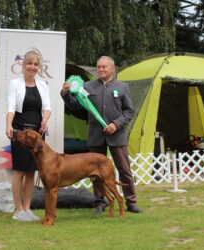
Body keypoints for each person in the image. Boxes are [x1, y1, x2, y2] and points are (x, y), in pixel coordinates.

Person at [61, 56, 143, 214]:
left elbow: (129, 111)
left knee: (124, 170)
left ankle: (131, 202)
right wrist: (65, 94)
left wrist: (116, 124)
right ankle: (99, 203)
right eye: (98, 67)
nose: (101, 70)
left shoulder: (123, 87)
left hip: (117, 136)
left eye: (104, 67)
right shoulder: (87, 86)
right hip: (95, 136)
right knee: (95, 174)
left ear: (113, 69)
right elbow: (75, 106)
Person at [6, 50, 51, 222]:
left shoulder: (43, 85)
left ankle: (27, 208)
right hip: (20, 132)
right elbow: (11, 107)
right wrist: (9, 125)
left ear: (39, 67)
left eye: (36, 64)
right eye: (29, 63)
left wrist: (45, 120)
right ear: (23, 65)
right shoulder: (15, 84)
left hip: (37, 135)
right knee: (19, 172)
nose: (32, 67)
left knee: (32, 172)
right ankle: (18, 211)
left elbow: (47, 107)